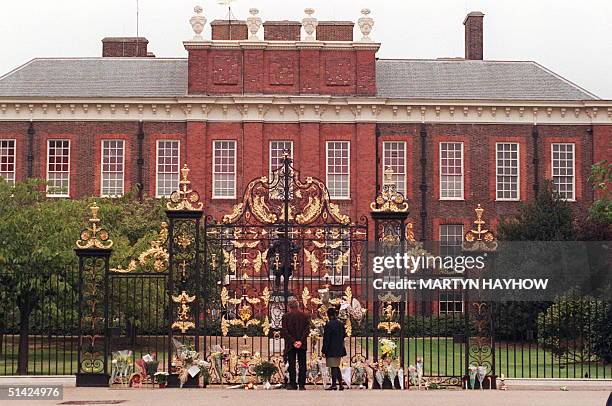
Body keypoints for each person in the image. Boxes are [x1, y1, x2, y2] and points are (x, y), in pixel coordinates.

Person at [281, 299, 310, 390]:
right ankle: (302, 384)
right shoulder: (304, 316)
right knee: (302, 364)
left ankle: (293, 384)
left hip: (290, 344)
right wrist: (300, 341)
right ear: (298, 306)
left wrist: (293, 341)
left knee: (292, 364)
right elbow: (307, 330)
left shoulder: (286, 316)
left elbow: (285, 331)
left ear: (289, 307)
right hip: (302, 344)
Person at [322, 307, 347, 391]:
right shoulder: (340, 324)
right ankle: (340, 384)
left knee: (333, 366)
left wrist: (324, 350)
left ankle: (334, 384)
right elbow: (344, 334)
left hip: (331, 348)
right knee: (336, 366)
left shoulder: (329, 325)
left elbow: (326, 339)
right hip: (339, 347)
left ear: (328, 315)